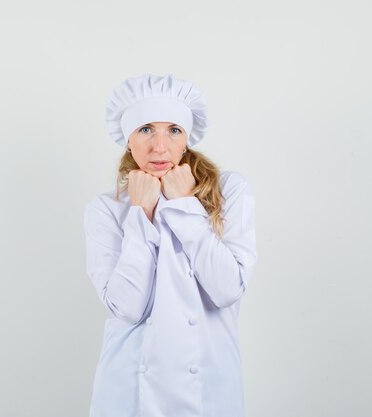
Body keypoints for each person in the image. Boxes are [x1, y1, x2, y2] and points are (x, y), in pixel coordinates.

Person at [83, 73, 258, 417]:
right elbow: (129, 308)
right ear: (128, 139)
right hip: (129, 392)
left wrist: (184, 205)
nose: (160, 146)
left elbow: (226, 289)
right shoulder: (105, 209)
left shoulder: (230, 191)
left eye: (173, 130)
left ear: (187, 139)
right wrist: (140, 213)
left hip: (209, 390)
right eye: (146, 129)